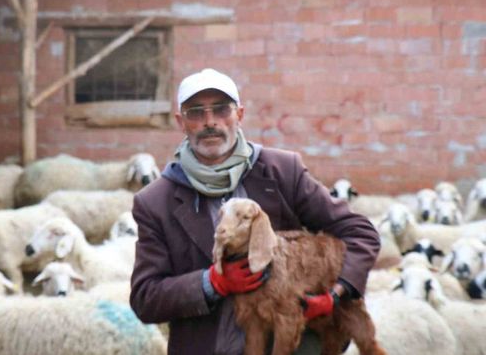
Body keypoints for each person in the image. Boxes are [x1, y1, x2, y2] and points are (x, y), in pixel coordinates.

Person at [130, 68, 380, 355]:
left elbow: (360, 233)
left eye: (222, 109)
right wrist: (211, 282)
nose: (210, 122)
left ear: (240, 114)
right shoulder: (156, 201)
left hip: (291, 344)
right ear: (181, 122)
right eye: (196, 112)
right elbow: (145, 298)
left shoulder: (282, 171)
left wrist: (335, 295)